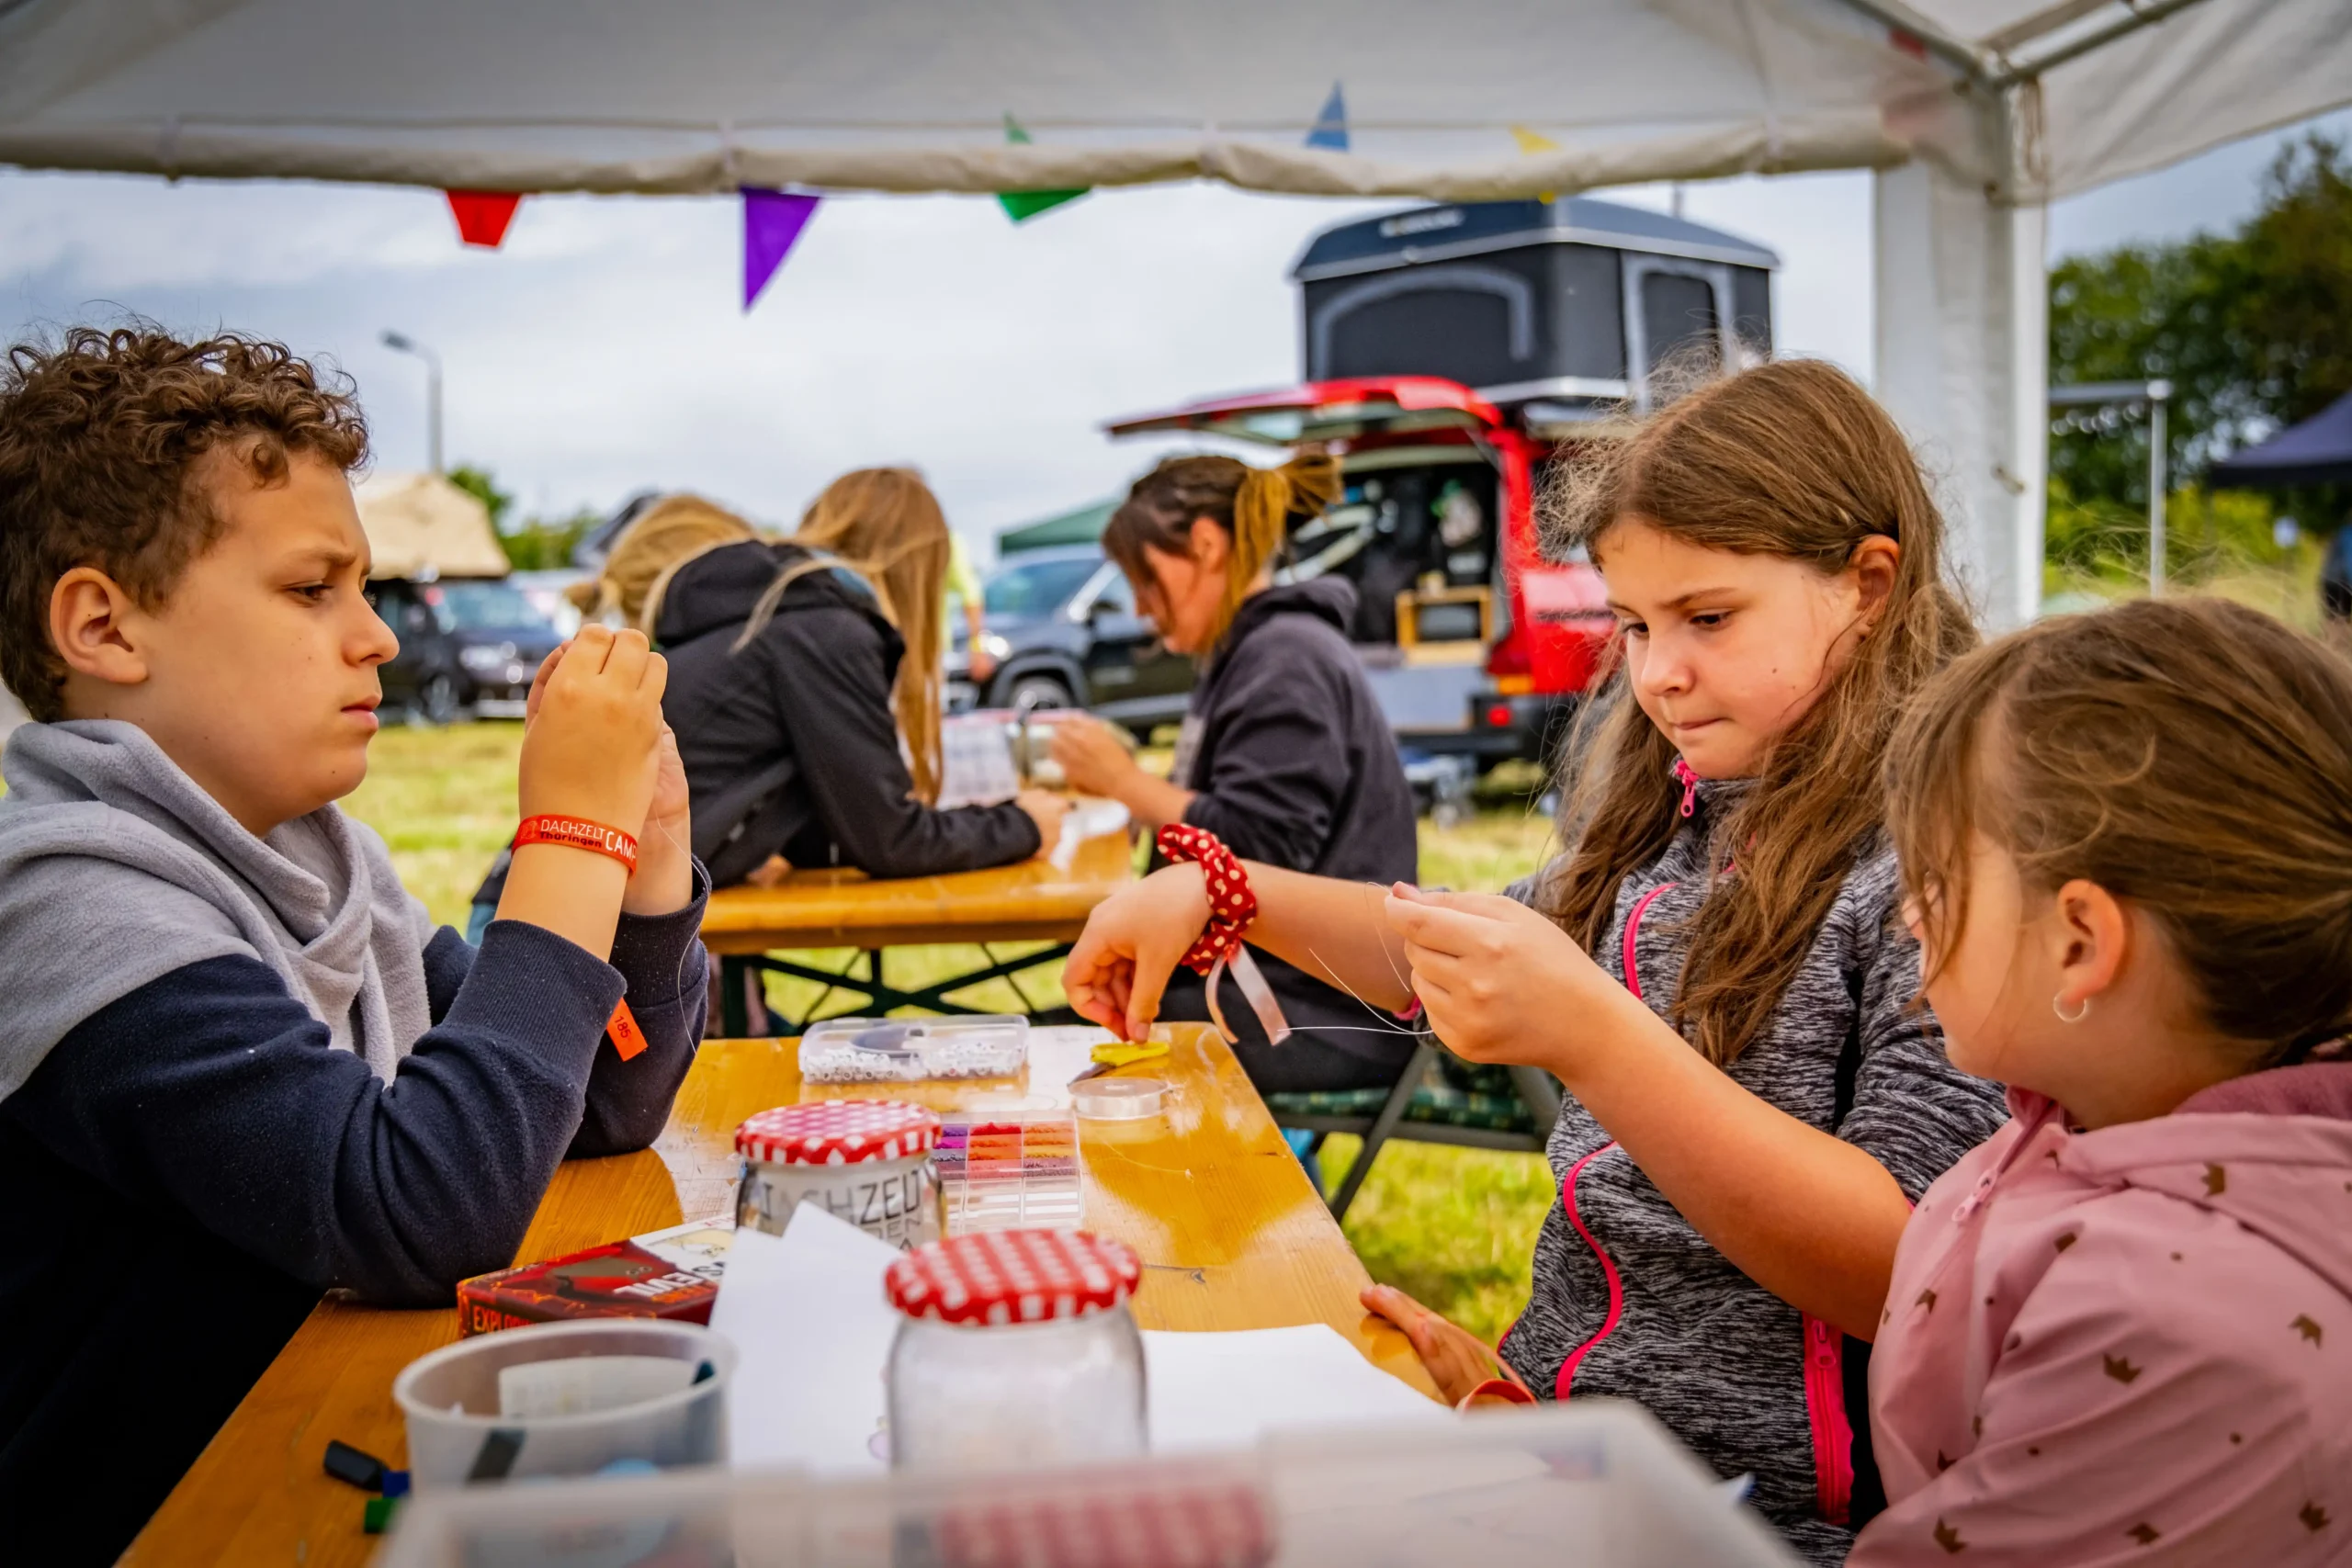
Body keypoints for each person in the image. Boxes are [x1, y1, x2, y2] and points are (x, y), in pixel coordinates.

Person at [1062, 361, 2010, 1564]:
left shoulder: (1938, 864)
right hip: (1575, 1450)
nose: (1657, 671)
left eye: (1707, 617)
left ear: (1869, 584)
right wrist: (1222, 889)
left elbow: (1913, 1274)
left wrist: (1598, 1034)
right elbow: (1442, 940)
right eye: (1634, 623)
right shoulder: (1682, 814)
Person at [0, 328, 709, 1561]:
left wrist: (643, 861)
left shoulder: (328, 865)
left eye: (366, 590)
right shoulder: (66, 911)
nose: (376, 636)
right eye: (311, 587)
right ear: (105, 627)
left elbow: (596, 1104)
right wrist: (565, 834)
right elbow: (423, 1202)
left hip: (313, 1445)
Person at [1849, 597, 2352, 1565]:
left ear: (2080, 941)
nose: (1911, 917)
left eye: (1939, 884)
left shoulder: (2177, 1328)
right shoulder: (2096, 1121)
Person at [1051, 451, 1420, 1093]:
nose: (1139, 606)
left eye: (1143, 577)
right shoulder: (1252, 652)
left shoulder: (1285, 657)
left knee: (1048, 1055)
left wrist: (1123, 781)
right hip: (1279, 992)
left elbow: (1255, 856)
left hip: (1323, 1013)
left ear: (1205, 544)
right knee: (1053, 1035)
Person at [648, 469, 1062, 887]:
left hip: (628, 880)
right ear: (918, 569)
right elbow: (892, 842)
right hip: (641, 899)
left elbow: (832, 835)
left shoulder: (780, 618)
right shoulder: (826, 632)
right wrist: (1023, 824)